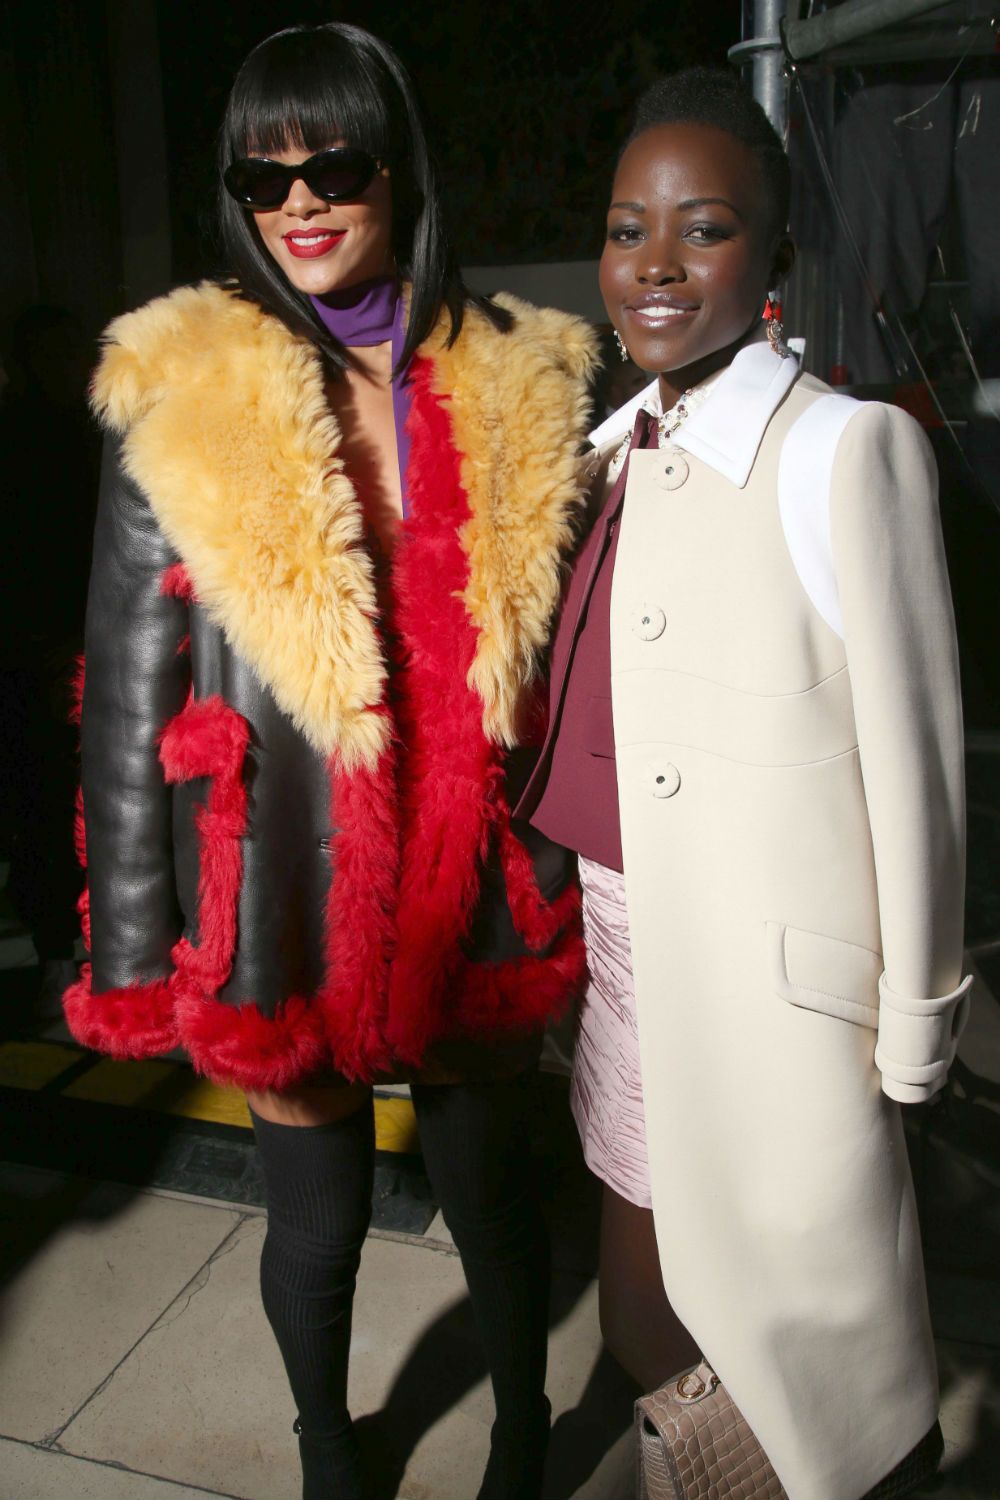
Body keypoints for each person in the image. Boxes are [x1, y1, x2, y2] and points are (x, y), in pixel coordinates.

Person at [64, 23, 597, 1500]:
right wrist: (129, 953)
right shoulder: (184, 396)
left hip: (471, 882)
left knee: (497, 1208)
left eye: (334, 164)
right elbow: (125, 697)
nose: (299, 200)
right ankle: (324, 1449)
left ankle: (518, 1432)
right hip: (279, 883)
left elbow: (569, 674)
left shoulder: (520, 378)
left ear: (395, 169)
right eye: (264, 172)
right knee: (313, 1221)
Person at [518, 68, 970, 1500]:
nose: (652, 265)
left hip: (772, 1010)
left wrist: (916, 1034)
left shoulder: (843, 451)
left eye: (701, 228)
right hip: (623, 957)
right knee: (657, 1326)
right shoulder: (602, 457)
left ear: (773, 252)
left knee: (816, 1384)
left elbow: (920, 770)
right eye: (624, 228)